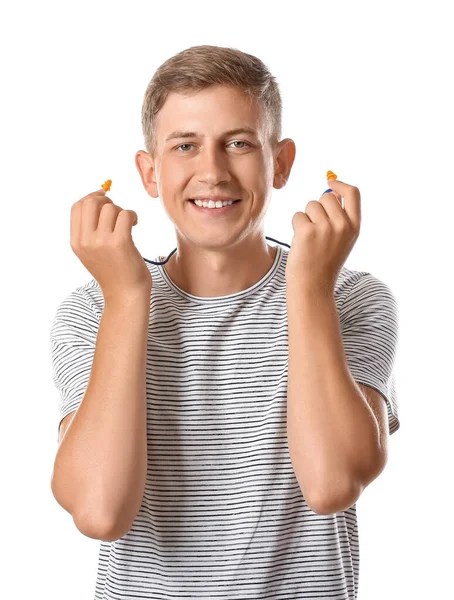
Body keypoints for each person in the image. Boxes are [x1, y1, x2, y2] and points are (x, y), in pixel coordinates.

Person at [49, 44, 400, 600]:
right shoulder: (93, 309)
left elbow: (333, 483)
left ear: (279, 162)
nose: (212, 172)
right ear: (150, 171)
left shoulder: (350, 296)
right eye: (184, 146)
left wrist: (308, 288)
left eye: (238, 143)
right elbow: (99, 510)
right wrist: (125, 298)